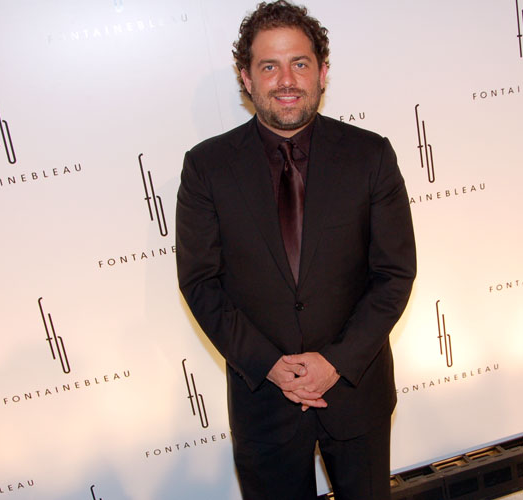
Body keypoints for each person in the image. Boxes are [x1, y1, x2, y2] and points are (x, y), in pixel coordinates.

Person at [175, 1, 416, 498]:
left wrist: (336, 361)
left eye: (300, 63)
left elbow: (393, 274)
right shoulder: (207, 167)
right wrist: (269, 364)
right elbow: (201, 282)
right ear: (246, 78)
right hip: (262, 399)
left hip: (356, 391)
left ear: (323, 72)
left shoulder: (371, 155)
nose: (286, 79)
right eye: (269, 66)